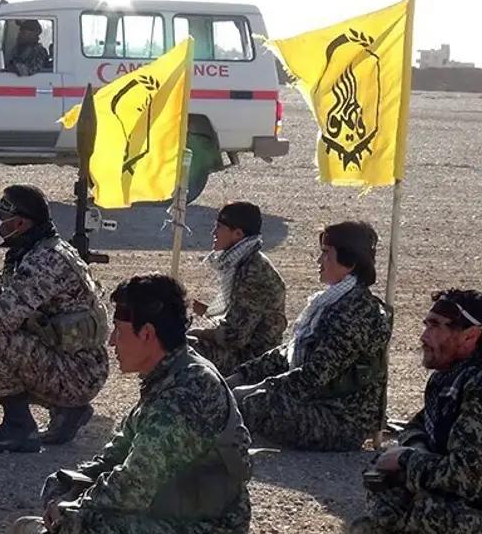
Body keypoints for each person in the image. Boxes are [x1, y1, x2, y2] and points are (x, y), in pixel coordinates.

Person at [11, 273, 252, 534]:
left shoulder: (190, 389)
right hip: (168, 507)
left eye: (119, 330)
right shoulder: (165, 376)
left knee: (85, 524)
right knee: (59, 486)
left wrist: (74, 510)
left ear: (147, 334)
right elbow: (117, 453)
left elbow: (135, 484)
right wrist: (69, 491)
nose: (112, 341)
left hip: (207, 525)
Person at [0, 185, 109, 453]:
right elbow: (16, 300)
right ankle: (66, 411)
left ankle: (18, 428)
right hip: (77, 365)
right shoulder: (37, 249)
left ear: (20, 223)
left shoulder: (45, 260)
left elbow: (2, 316)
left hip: (78, 372)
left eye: (2, 216)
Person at [226, 221, 391, 451]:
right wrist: (242, 375)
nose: (319, 261)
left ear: (350, 262)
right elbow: (291, 352)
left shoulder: (359, 312)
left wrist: (258, 387)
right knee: (229, 392)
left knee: (248, 404)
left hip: (341, 419)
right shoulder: (331, 302)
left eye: (326, 253)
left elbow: (314, 375)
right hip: (318, 403)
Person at [350, 289, 482, 534]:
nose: (423, 337)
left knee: (425, 510)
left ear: (470, 336)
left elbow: (466, 476)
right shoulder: (450, 379)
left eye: (435, 326)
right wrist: (416, 449)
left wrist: (406, 459)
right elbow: (417, 426)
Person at [188, 202, 287, 375]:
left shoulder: (253, 272)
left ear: (238, 234)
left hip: (254, 360)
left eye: (219, 227)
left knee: (179, 349)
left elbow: (234, 337)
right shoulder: (244, 262)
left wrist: (200, 332)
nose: (214, 233)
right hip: (245, 351)